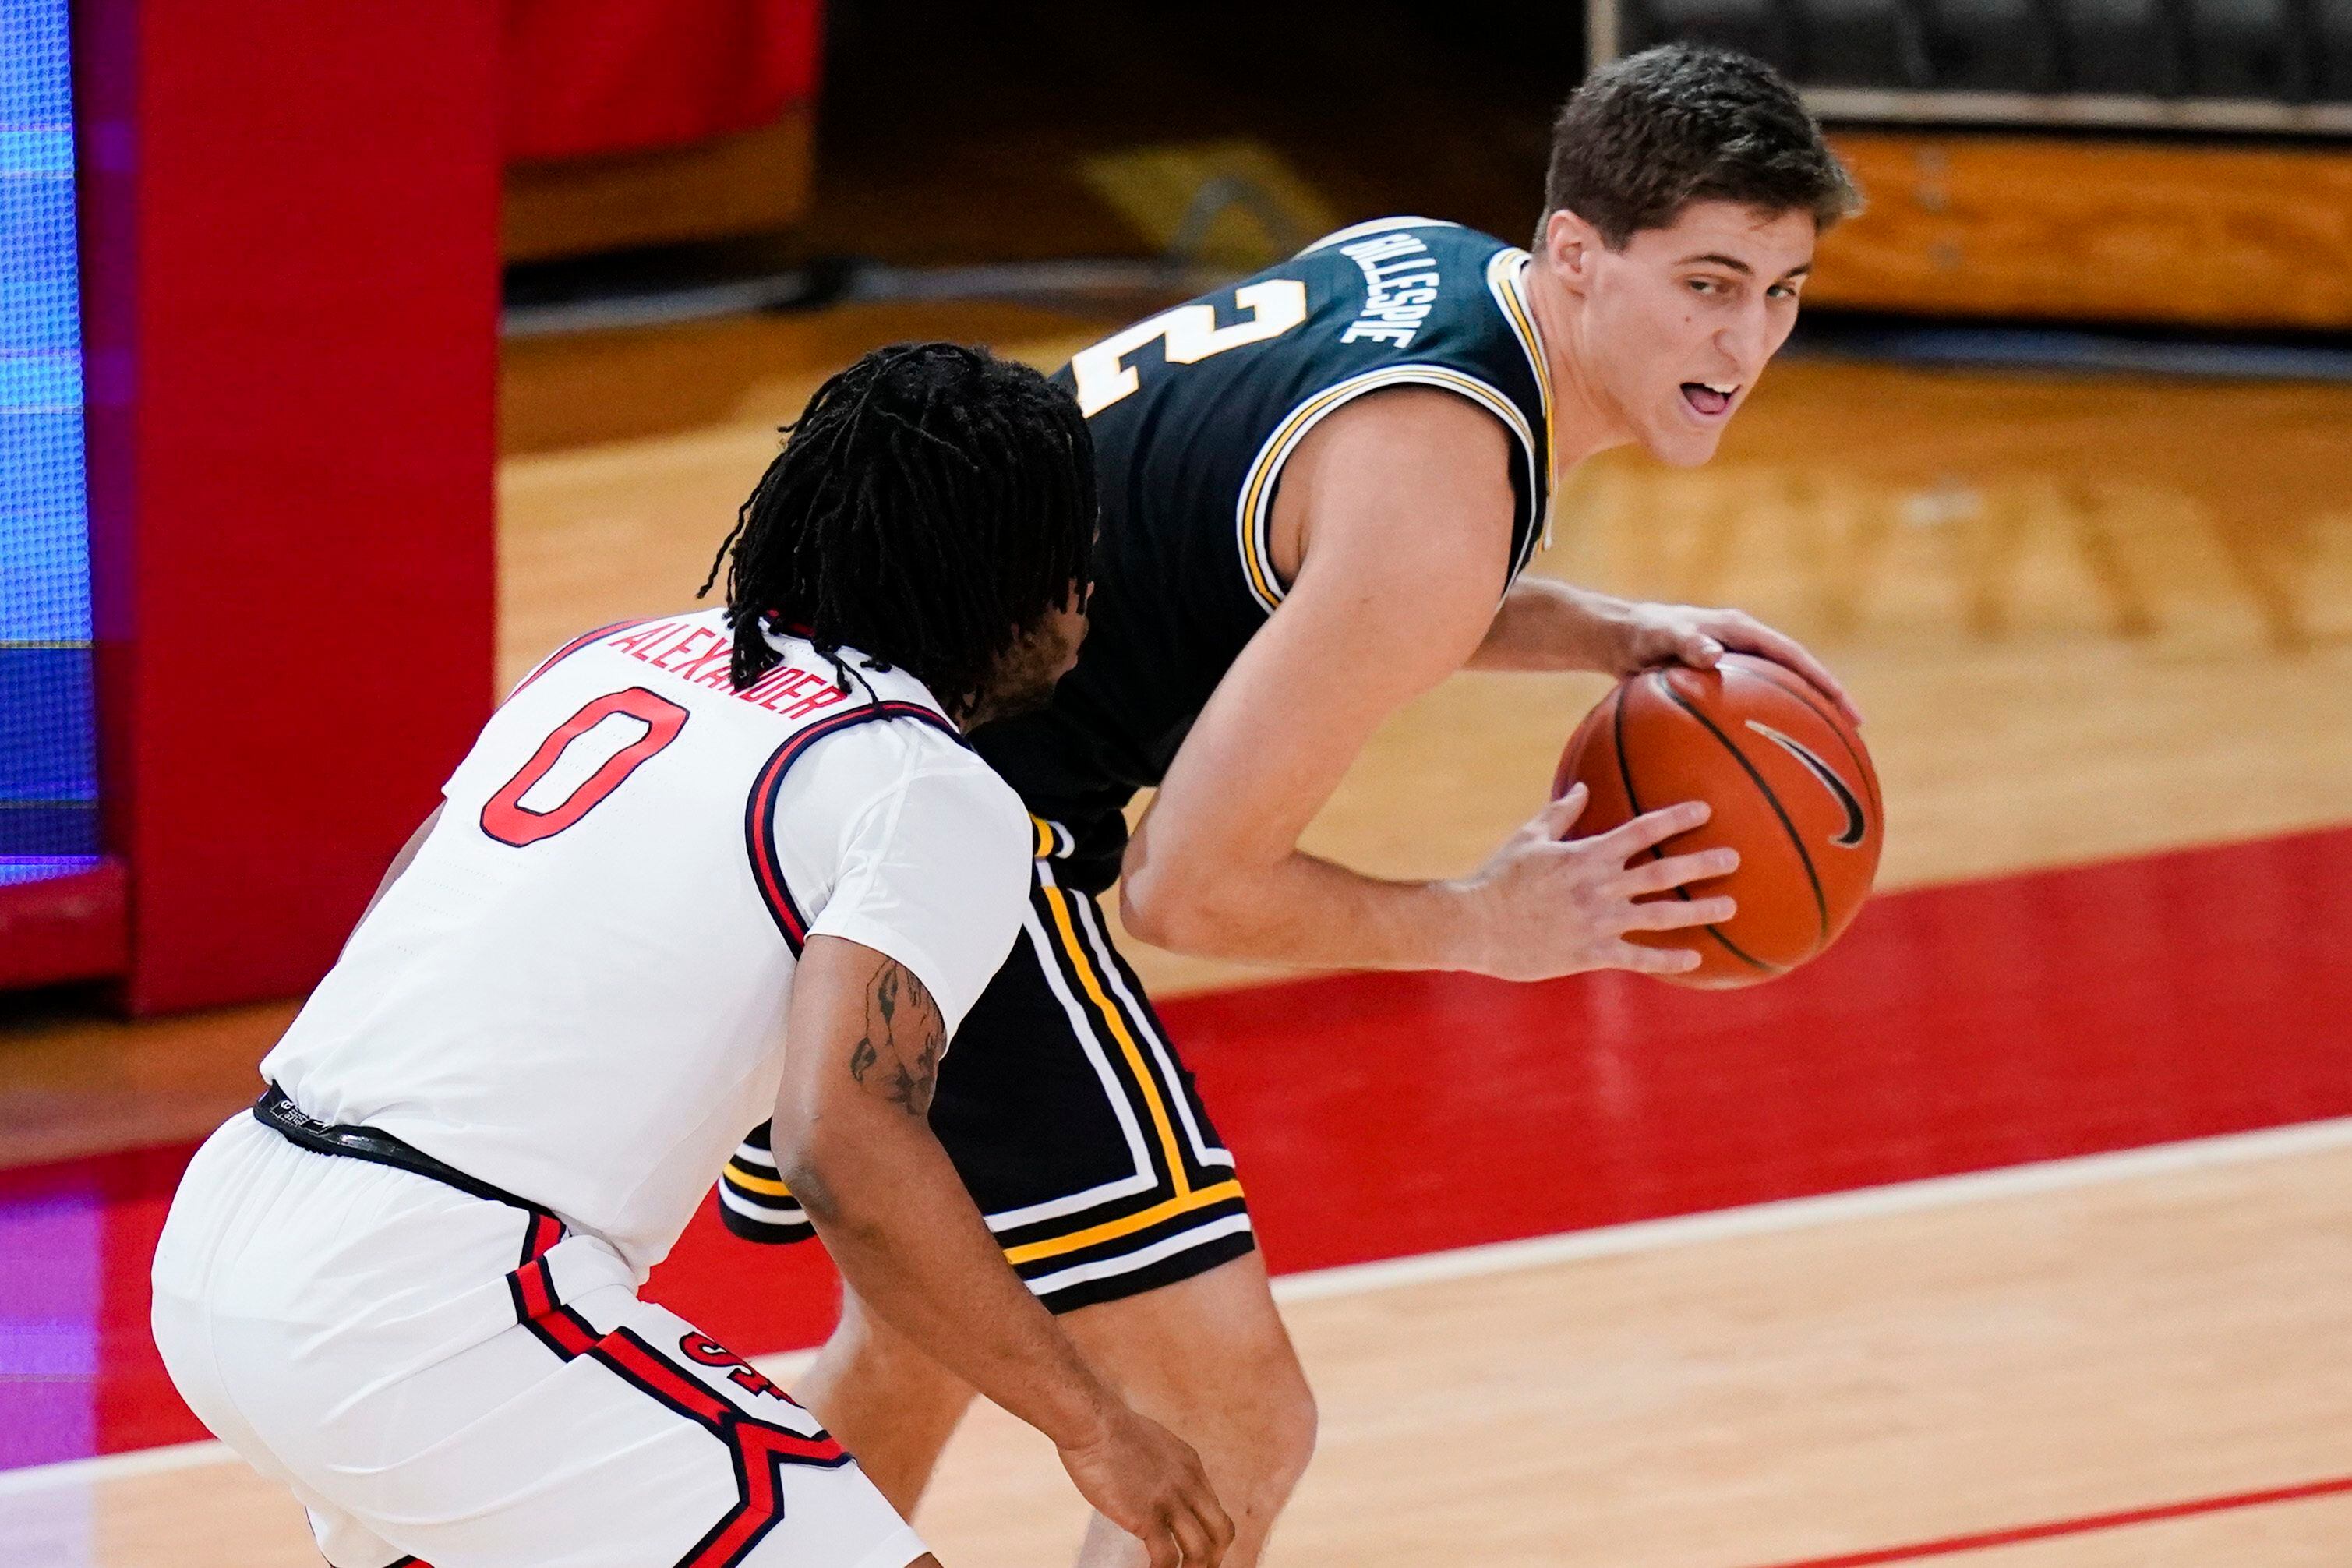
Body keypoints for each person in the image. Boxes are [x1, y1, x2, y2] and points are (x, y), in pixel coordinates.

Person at [719, 43, 1867, 1567]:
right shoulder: (1440, 492)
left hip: (777, 761)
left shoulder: (1426, 267)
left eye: (1780, 291)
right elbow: (1188, 887)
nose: (1746, 338)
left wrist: (1598, 628)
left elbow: (1308, 558)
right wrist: (1487, 925)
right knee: (1235, 1430)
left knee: (921, 1334)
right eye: (1707, 284)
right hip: (937, 825)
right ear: (1580, 254)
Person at [150, 343, 1234, 1568]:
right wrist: (1093, 1425)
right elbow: (841, 1145)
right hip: (438, 1303)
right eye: (1071, 556)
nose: (1087, 592)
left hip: (227, 1241)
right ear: (1008, 580)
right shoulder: (919, 783)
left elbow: (397, 919)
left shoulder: (603, 659)